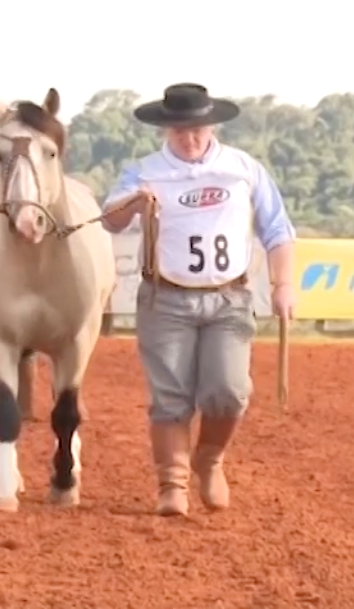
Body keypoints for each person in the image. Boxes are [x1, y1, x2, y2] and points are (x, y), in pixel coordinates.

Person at [102, 83, 296, 517]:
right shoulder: (144, 171)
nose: (189, 139)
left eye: (197, 130)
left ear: (212, 126)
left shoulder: (243, 169)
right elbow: (111, 219)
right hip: (165, 299)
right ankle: (172, 483)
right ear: (165, 130)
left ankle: (209, 459)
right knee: (170, 395)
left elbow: (277, 229)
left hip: (229, 299)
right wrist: (134, 203)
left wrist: (284, 284)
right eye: (179, 131)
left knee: (228, 390)